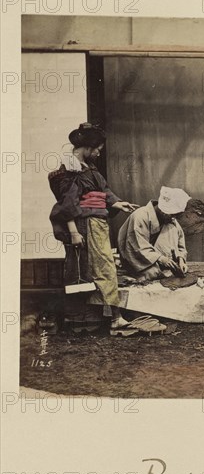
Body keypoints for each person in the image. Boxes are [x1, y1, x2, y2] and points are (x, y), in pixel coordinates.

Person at [48, 122, 139, 330]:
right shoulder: (70, 171)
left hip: (96, 222)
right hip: (85, 224)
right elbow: (67, 203)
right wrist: (73, 232)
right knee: (99, 267)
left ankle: (95, 318)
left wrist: (116, 203)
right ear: (87, 148)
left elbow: (103, 191)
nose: (99, 153)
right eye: (97, 149)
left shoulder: (89, 169)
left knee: (93, 268)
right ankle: (112, 317)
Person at [118, 186, 190, 281]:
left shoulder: (171, 219)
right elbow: (137, 247)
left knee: (171, 227)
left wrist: (181, 259)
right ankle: (160, 266)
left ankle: (167, 265)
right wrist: (161, 259)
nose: (174, 218)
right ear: (163, 211)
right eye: (172, 215)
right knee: (153, 274)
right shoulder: (140, 216)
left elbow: (180, 242)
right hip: (138, 258)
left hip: (159, 257)